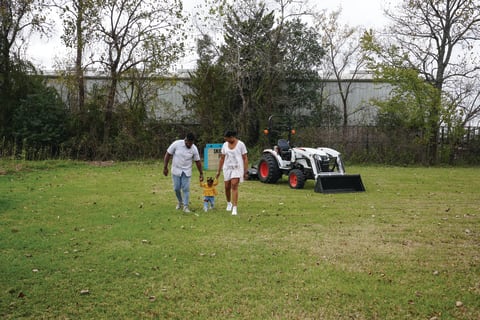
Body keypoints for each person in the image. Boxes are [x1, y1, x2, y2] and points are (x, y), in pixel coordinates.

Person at [163, 133, 204, 213]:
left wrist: (201, 173)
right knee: (176, 188)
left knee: (186, 189)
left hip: (186, 171)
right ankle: (180, 202)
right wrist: (165, 167)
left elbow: (197, 161)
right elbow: (168, 154)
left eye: (191, 143)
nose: (190, 145)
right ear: (185, 140)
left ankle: (185, 206)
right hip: (176, 170)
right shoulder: (176, 144)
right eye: (188, 143)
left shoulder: (194, 148)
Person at [215, 130, 248, 216]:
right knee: (227, 186)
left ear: (232, 137)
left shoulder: (241, 144)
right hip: (227, 168)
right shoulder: (225, 145)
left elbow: (245, 158)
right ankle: (229, 203)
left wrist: (245, 171)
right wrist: (218, 171)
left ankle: (234, 207)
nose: (226, 141)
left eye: (227, 139)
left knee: (234, 185)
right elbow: (222, 158)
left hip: (237, 168)